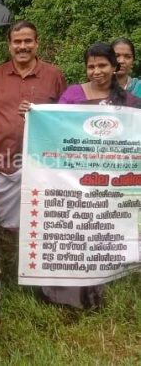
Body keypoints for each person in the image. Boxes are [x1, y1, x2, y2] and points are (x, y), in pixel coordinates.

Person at [33, 42, 129, 309]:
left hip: (109, 179)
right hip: (73, 177)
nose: (96, 71)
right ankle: (60, 289)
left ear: (114, 67)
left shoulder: (131, 103)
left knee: (99, 231)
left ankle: (95, 285)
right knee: (73, 229)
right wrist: (34, 116)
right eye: (91, 66)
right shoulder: (73, 94)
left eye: (102, 65)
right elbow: (55, 125)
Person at [0, 20, 66, 235]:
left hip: (42, 161)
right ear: (9, 45)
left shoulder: (54, 75)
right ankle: (11, 257)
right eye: (17, 42)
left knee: (42, 219)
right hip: (5, 160)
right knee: (9, 225)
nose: (22, 46)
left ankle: (38, 261)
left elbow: (63, 117)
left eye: (28, 41)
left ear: (37, 43)